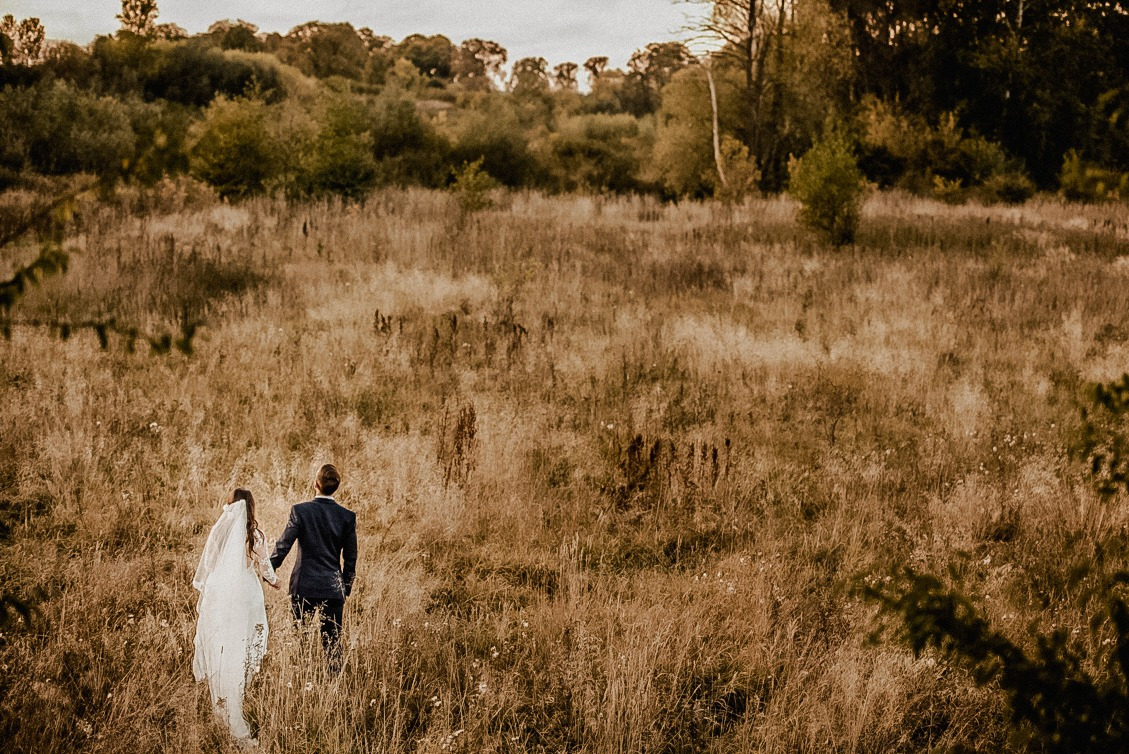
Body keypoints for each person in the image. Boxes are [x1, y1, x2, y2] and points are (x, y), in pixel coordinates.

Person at [192, 488, 280, 743]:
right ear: (250, 507)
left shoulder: (219, 533)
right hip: (245, 595)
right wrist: (274, 582)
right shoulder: (255, 536)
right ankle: (234, 703)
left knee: (221, 644)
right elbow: (266, 567)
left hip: (220, 593)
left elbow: (208, 565)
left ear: (230, 507)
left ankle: (221, 705)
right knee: (238, 646)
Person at [270, 464, 357, 667]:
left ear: (315, 484)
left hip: (304, 586)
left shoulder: (300, 511)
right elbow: (351, 558)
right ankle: (333, 688)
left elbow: (283, 545)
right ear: (336, 487)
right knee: (333, 646)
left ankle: (300, 680)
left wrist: (269, 569)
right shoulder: (347, 517)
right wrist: (345, 587)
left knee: (300, 641)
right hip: (333, 588)